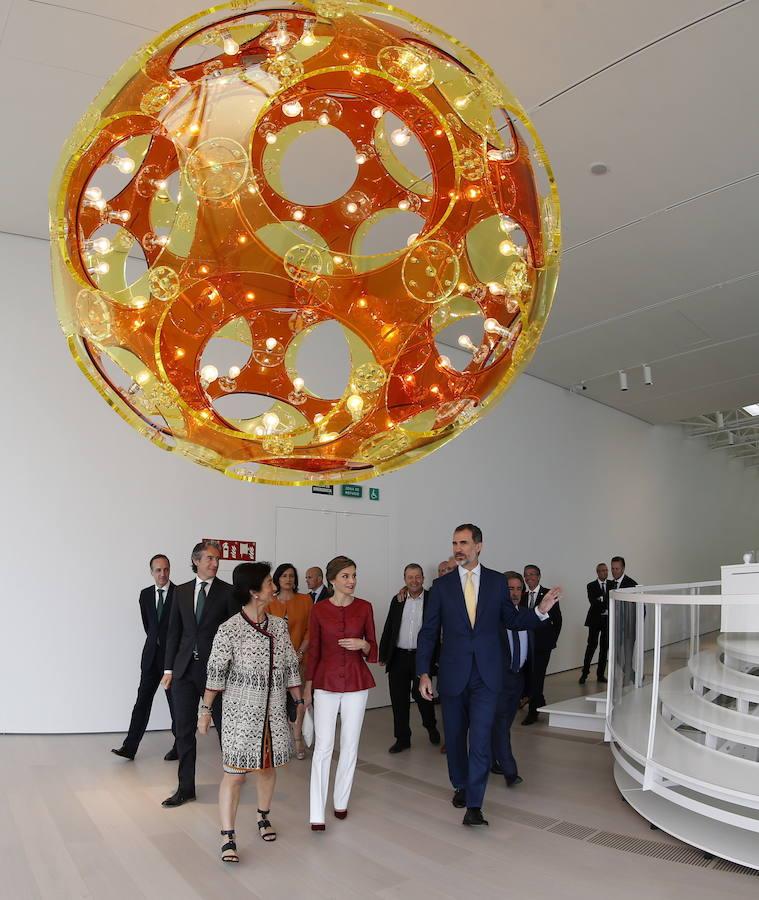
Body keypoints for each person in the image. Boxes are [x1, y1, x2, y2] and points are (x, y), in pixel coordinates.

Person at [417, 524, 560, 827]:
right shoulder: (442, 587)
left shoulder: (497, 583)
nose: (459, 548)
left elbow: (512, 619)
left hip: (487, 676)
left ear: (479, 546)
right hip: (454, 674)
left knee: (480, 740)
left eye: (465, 543)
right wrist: (423, 673)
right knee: (455, 739)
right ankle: (461, 784)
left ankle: (475, 804)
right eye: (455, 543)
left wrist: (540, 612)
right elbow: (428, 632)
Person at [199, 562, 303, 863]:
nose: (275, 587)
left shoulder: (280, 626)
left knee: (268, 768)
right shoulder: (229, 629)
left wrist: (298, 700)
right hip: (240, 715)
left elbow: (290, 665)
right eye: (270, 582)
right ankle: (228, 836)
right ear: (254, 592)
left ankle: (263, 815)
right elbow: (215, 674)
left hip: (272, 713)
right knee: (235, 775)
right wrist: (205, 711)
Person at [160, 540, 236, 808]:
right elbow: (173, 633)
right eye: (210, 559)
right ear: (196, 560)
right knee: (183, 730)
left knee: (224, 728)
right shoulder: (180, 592)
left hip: (215, 673)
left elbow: (234, 636)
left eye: (217, 559)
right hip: (183, 671)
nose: (215, 563)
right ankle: (185, 788)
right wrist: (168, 668)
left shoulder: (228, 592)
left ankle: (234, 777)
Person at [305, 555, 378, 830]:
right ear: (332, 579)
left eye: (354, 575)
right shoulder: (319, 610)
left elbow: (373, 646)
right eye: (346, 576)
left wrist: (362, 644)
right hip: (325, 683)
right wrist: (309, 685)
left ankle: (341, 802)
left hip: (357, 684)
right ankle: (316, 812)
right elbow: (314, 651)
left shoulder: (365, 608)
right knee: (323, 747)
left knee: (350, 745)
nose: (352, 581)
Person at [112, 554, 177, 761]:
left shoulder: (180, 593)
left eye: (166, 569)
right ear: (151, 572)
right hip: (150, 658)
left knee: (176, 705)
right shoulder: (145, 595)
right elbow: (149, 627)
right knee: (141, 702)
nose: (162, 574)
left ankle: (180, 746)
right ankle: (129, 747)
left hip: (172, 660)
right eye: (158, 570)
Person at [379, 564, 440, 753]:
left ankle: (431, 726)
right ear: (404, 579)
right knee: (398, 700)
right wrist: (384, 654)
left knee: (423, 697)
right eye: (410, 577)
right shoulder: (398, 600)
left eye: (417, 577)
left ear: (423, 578)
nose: (414, 581)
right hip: (398, 656)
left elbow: (439, 630)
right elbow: (390, 626)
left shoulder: (433, 599)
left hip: (422, 657)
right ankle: (402, 738)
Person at [490, 572, 533, 787]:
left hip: (517, 678)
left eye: (518, 589)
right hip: (498, 680)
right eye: (510, 589)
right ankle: (510, 771)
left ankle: (491, 760)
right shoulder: (494, 616)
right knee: (500, 725)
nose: (515, 593)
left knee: (504, 724)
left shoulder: (525, 614)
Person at [269, 563, 311, 759]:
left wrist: (300, 653)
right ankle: (282, 739)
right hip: (275, 662)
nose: (288, 579)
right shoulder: (270, 601)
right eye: (284, 576)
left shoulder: (305, 600)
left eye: (292, 576)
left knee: (299, 701)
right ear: (277, 579)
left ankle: (298, 739)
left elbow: (311, 631)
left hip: (300, 659)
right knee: (278, 701)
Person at [522, 564, 562, 725]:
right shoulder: (523, 596)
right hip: (526, 645)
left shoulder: (548, 594)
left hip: (542, 644)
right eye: (526, 575)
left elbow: (558, 621)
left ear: (539, 576)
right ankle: (540, 700)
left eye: (532, 574)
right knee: (528, 676)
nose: (529, 577)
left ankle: (533, 712)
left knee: (537, 677)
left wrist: (551, 641)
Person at [580, 563, 613, 684]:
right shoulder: (591, 585)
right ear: (597, 572)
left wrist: (601, 599)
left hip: (607, 621)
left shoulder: (612, 584)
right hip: (594, 620)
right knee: (591, 647)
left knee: (604, 649)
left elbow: (611, 601)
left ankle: (600, 675)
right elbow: (593, 602)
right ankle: (584, 673)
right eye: (602, 571)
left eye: (606, 570)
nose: (605, 572)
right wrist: (605, 601)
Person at [611, 556, 639, 685]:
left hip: (628, 627)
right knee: (617, 657)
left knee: (628, 657)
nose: (614, 571)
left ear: (623, 569)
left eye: (617, 568)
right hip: (615, 628)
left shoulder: (632, 584)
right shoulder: (610, 584)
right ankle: (635, 676)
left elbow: (640, 607)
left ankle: (626, 683)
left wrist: (636, 624)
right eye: (612, 568)